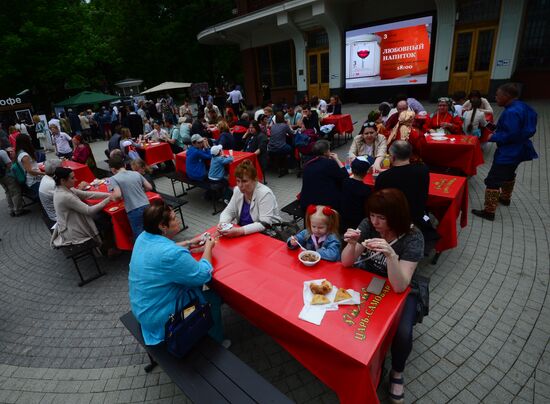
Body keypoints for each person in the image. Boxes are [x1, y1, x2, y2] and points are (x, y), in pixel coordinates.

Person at [341, 189, 424, 404]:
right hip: (369, 282)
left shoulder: (413, 238)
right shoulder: (368, 225)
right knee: (346, 316)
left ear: (396, 216)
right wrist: (351, 244)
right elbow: (346, 263)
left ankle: (397, 372)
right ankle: (358, 362)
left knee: (403, 332)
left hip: (402, 289)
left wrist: (391, 255)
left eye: (381, 217)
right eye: (372, 215)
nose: (375, 221)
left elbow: (399, 285)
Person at [129, 200, 227, 346]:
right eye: (174, 218)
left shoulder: (143, 237)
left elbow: (166, 248)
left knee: (191, 284)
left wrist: (189, 242)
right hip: (161, 319)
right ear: (162, 226)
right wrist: (208, 247)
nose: (178, 220)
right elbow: (203, 275)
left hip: (143, 309)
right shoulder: (170, 254)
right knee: (213, 297)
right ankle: (216, 344)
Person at [472, 83, 538, 221]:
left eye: (497, 94)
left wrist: (493, 137)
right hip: (521, 149)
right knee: (509, 174)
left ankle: (489, 211)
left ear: (507, 96)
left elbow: (511, 134)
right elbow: (525, 128)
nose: (495, 97)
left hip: (509, 151)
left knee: (493, 180)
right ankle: (505, 198)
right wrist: (497, 128)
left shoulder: (511, 112)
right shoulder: (523, 106)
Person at [50, 167, 112, 248]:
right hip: (75, 231)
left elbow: (87, 195)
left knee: (101, 217)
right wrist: (109, 199)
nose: (75, 180)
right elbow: (89, 211)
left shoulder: (63, 188)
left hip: (72, 223)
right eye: (72, 178)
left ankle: (107, 245)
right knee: (106, 220)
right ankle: (109, 248)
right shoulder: (65, 196)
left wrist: (109, 195)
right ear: (62, 181)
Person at [375, 141, 430, 232]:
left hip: (394, 219)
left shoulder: (384, 177)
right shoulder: (423, 170)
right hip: (417, 215)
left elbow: (378, 200)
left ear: (392, 157)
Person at [218, 160, 281, 237]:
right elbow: (229, 211)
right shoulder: (237, 190)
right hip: (243, 232)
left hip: (265, 233)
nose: (240, 185)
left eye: (244, 181)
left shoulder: (265, 193)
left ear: (255, 179)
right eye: (238, 181)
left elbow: (264, 223)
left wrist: (239, 231)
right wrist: (222, 223)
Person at [109, 154, 152, 239]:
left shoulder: (114, 178)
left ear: (113, 169)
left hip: (133, 209)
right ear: (124, 165)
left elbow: (117, 195)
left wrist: (112, 197)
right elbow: (149, 187)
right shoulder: (136, 173)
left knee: (140, 236)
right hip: (146, 205)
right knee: (151, 230)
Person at [299, 140, 348, 214]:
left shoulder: (308, 163)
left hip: (306, 202)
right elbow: (345, 177)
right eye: (329, 149)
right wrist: (337, 159)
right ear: (325, 152)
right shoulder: (330, 163)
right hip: (323, 205)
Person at [340, 157, 372, 233]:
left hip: (343, 221)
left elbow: (343, 171)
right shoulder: (366, 190)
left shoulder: (345, 182)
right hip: (358, 223)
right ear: (367, 171)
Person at [0, 148, 27, 217]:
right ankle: (18, 210)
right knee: (15, 192)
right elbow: (9, 164)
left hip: (1, 177)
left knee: (8, 192)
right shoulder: (2, 152)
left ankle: (11, 210)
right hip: (7, 175)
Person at [267, 112, 294, 177]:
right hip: (280, 147)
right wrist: (289, 124)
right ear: (283, 118)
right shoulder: (285, 125)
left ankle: (281, 166)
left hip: (270, 148)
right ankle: (289, 167)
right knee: (291, 149)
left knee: (282, 150)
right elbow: (291, 133)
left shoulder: (273, 126)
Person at [38, 159, 63, 225]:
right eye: (61, 168)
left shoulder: (45, 178)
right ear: (56, 171)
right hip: (57, 217)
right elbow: (67, 198)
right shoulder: (52, 183)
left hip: (52, 211)